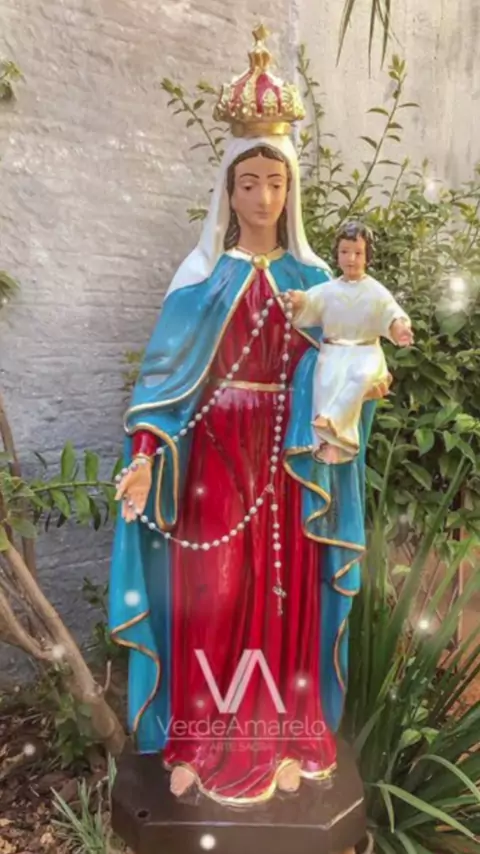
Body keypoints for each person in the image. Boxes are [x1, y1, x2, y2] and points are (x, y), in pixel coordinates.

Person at [109, 27, 372, 807]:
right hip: (216, 462)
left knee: (283, 595)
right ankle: (197, 739)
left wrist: (359, 387)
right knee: (213, 595)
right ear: (227, 190)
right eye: (249, 182)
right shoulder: (200, 279)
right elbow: (163, 387)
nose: (262, 197)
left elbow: (344, 362)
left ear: (291, 191)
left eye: (275, 182)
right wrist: (145, 456)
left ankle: (285, 735)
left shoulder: (316, 280)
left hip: (286, 460)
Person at [287, 221, 413, 464]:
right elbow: (309, 307)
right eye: (345, 252)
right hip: (332, 353)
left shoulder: (375, 290)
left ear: (367, 256)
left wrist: (399, 328)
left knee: (361, 377)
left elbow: (391, 313)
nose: (351, 259)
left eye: (358, 253)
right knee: (326, 382)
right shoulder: (327, 290)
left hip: (365, 353)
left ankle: (332, 422)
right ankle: (328, 443)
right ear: (337, 253)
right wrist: (299, 301)